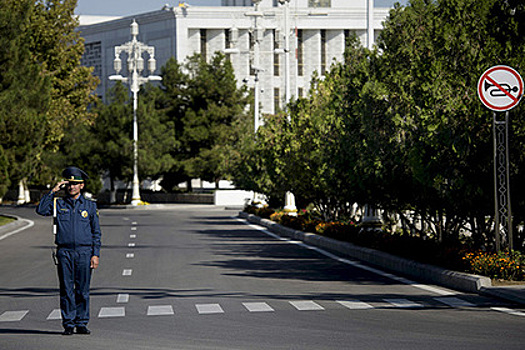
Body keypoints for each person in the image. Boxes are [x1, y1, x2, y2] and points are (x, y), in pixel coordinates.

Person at [36, 166, 101, 335]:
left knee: (82, 290)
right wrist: (53, 192)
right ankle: (68, 324)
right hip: (64, 252)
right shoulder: (59, 204)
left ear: (82, 185)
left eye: (75, 184)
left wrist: (95, 254)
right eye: (69, 184)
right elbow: (41, 210)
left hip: (84, 252)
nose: (72, 187)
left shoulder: (90, 206)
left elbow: (96, 232)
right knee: (66, 289)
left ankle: (81, 322)